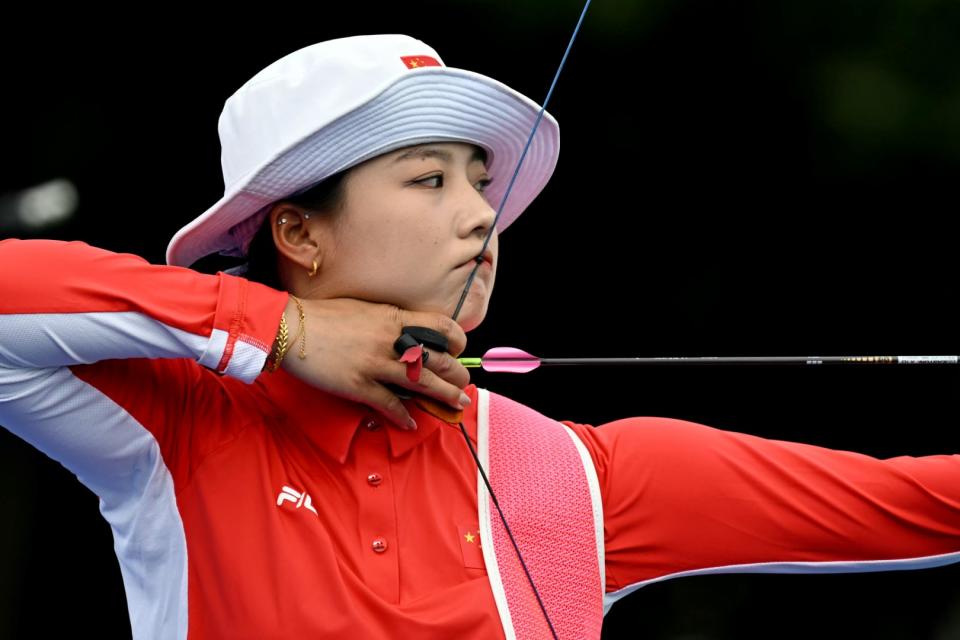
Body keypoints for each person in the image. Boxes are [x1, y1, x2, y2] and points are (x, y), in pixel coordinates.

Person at [1, 34, 958, 640]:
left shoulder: (582, 481)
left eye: (481, 181)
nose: (481, 217)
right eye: (430, 180)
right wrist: (283, 328)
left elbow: (922, 502)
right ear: (297, 234)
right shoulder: (181, 421)